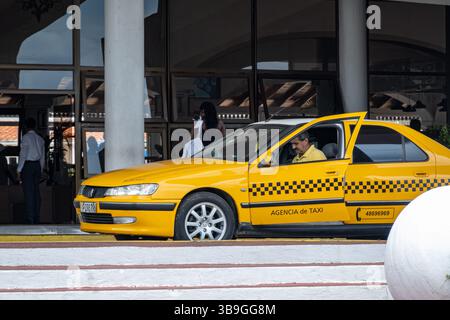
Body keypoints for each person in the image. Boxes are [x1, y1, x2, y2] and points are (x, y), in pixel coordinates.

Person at [17, 118, 45, 224]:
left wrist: (19, 170)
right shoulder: (40, 139)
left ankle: (30, 218)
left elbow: (23, 155)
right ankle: (36, 217)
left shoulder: (26, 138)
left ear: (25, 126)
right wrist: (41, 170)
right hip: (37, 166)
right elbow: (42, 157)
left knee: (29, 193)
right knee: (36, 192)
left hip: (28, 166)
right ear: (34, 126)